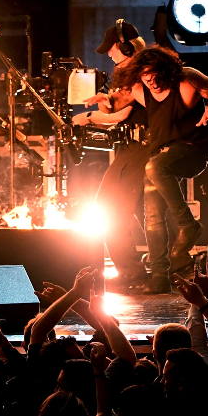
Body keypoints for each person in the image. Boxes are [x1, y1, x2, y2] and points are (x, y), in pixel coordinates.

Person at [111, 46, 208, 290]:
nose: (151, 82)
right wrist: (103, 102)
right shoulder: (141, 90)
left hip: (191, 150)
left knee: (153, 166)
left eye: (155, 75)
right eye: (145, 77)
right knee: (151, 214)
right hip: (160, 157)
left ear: (166, 70)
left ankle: (188, 224)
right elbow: (113, 105)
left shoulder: (186, 79)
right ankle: (160, 276)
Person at [73, 20, 148, 291]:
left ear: (124, 47)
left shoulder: (138, 73)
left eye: (111, 49)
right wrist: (103, 103)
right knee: (127, 211)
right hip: (131, 148)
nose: (108, 54)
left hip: (139, 149)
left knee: (108, 207)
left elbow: (123, 114)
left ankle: (132, 272)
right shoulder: (131, 72)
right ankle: (139, 270)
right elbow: (115, 110)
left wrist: (88, 117)